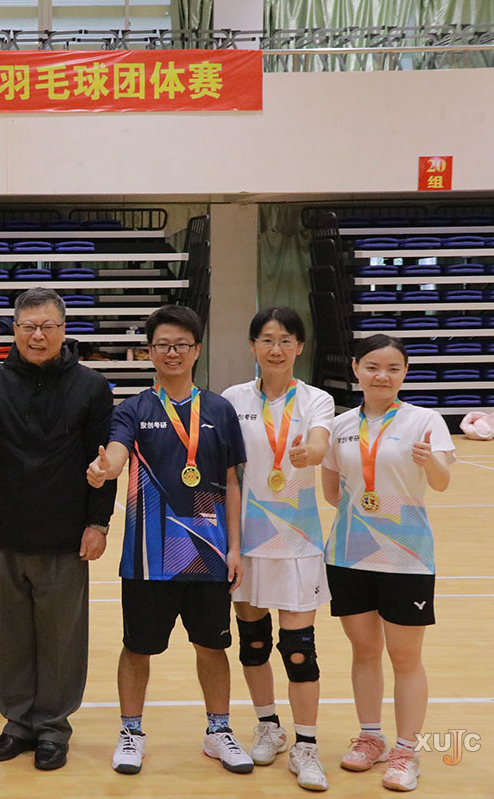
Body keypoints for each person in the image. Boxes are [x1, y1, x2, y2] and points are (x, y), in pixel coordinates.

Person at [87, 304, 253, 776]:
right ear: (149, 352)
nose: (172, 352)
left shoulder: (219, 410)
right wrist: (105, 468)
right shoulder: (133, 409)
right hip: (148, 556)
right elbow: (116, 453)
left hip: (210, 553)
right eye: (162, 345)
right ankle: (131, 732)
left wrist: (235, 548)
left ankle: (219, 730)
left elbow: (232, 483)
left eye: (181, 344)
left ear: (197, 350)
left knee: (212, 647)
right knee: (137, 648)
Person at [0, 287, 115, 771]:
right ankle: (17, 723)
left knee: (61, 640)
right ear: (15, 330)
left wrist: (98, 522)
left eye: (47, 326)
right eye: (28, 327)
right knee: (11, 636)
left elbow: (102, 463)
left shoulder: (92, 387)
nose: (38, 336)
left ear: (63, 330)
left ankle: (52, 727)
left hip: (66, 535)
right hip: (5, 533)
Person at [321, 334, 454, 793]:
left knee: (405, 657)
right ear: (356, 369)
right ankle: (371, 737)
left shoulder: (425, 421)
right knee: (364, 651)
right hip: (348, 554)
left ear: (404, 373)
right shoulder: (340, 426)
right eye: (373, 367)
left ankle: (405, 751)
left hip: (407, 556)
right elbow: (332, 491)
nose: (383, 376)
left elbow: (441, 483)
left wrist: (429, 462)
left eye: (393, 368)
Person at [220, 307, 336, 791]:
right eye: (267, 340)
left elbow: (320, 441)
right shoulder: (232, 399)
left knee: (299, 650)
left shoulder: (317, 399)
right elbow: (227, 473)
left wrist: (313, 452)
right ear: (252, 346)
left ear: (300, 347)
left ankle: (306, 746)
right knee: (253, 642)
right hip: (247, 542)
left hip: (297, 541)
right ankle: (268, 725)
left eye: (286, 340)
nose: (276, 349)